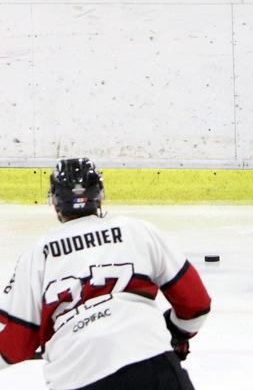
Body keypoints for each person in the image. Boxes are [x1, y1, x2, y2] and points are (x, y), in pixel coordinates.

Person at [0, 158, 211, 389]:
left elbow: (13, 342)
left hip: (77, 379)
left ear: (55, 201)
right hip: (151, 362)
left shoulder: (38, 254)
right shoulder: (138, 231)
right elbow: (196, 304)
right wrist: (176, 333)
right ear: (99, 195)